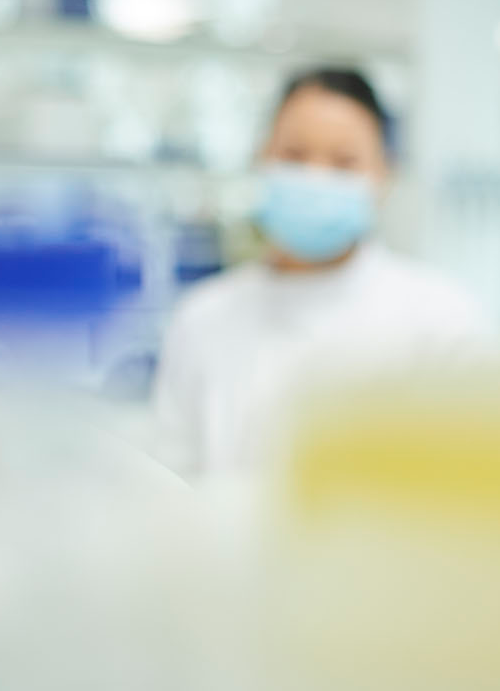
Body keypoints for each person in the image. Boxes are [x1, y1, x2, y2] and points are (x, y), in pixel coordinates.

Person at [153, 68, 493, 477]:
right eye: (294, 156)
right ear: (262, 158)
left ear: (384, 176)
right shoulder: (203, 318)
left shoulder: (443, 321)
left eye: (344, 162)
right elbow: (169, 485)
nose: (315, 177)